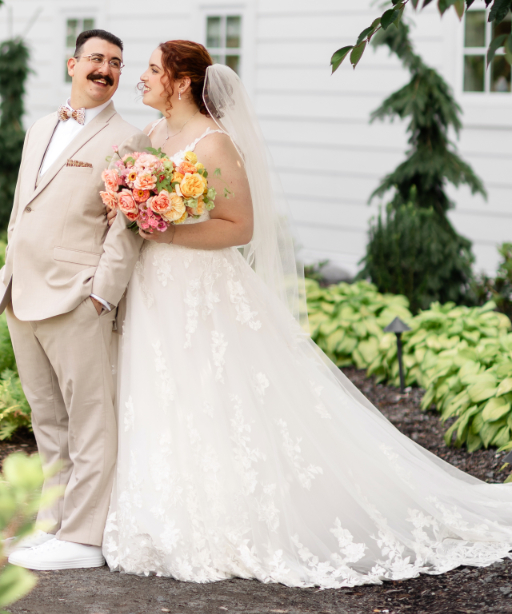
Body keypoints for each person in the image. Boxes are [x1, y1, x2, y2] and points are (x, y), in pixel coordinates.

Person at [102, 39, 512, 586]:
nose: (142, 78)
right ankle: (156, 512)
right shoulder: (152, 136)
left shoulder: (214, 143)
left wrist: (166, 226)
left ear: (180, 82)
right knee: (159, 388)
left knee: (212, 392)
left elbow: (240, 227)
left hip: (199, 285)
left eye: (152, 70)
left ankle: (226, 517)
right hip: (153, 287)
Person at [0, 28, 150, 572]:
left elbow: (125, 229)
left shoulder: (130, 139)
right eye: (96, 59)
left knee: (90, 422)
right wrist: (6, 273)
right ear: (72, 64)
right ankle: (53, 524)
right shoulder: (41, 127)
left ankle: (84, 537)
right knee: (47, 419)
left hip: (77, 300)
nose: (105, 69)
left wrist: (101, 298)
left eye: (116, 63)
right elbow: (24, 206)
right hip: (21, 293)